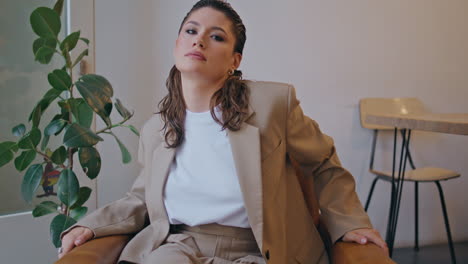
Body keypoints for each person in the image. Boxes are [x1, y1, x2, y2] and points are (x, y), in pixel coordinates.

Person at [59, 0, 388, 263]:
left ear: (234, 60)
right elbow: (141, 198)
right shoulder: (155, 129)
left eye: (216, 36)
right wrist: (91, 224)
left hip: (257, 248)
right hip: (179, 243)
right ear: (177, 45)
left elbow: (324, 163)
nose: (199, 39)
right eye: (191, 31)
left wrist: (350, 223)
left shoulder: (273, 104)